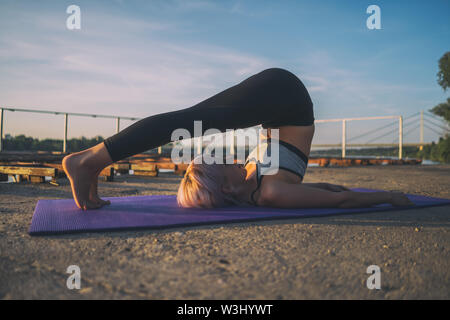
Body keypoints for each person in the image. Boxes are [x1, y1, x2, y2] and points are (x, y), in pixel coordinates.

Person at [62, 68, 415, 210]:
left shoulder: (250, 183)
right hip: (287, 97)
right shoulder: (270, 191)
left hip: (278, 105)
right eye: (215, 166)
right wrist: (385, 196)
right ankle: (89, 161)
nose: (216, 157)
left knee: (195, 119)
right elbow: (339, 201)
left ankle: (92, 159)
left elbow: (323, 191)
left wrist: (325, 188)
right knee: (191, 120)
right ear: (227, 189)